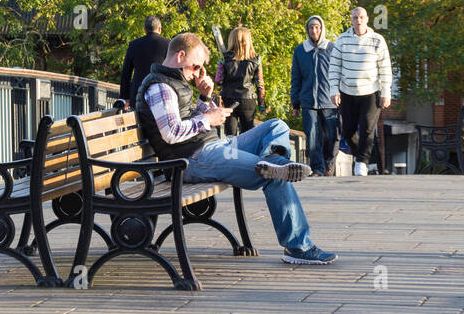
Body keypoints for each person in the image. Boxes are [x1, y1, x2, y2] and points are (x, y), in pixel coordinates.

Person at [135, 31, 336, 265]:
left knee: (277, 126)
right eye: (196, 67)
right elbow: (171, 134)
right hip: (193, 159)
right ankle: (298, 247)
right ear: (180, 56)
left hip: (214, 147)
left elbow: (185, 117)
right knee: (273, 175)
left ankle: (275, 159)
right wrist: (208, 119)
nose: (198, 73)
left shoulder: (175, 82)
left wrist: (204, 98)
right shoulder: (161, 87)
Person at [327, 7, 393, 177]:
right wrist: (334, 90)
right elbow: (334, 68)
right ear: (351, 20)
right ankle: (360, 156)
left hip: (371, 91)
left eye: (361, 17)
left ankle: (362, 163)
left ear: (367, 19)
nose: (358, 20)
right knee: (347, 132)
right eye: (355, 17)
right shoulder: (342, 40)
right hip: (347, 92)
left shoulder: (377, 40)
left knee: (367, 127)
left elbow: (385, 68)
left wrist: (386, 92)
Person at [289, 15, 339, 176]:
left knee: (332, 136)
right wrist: (295, 103)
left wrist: (340, 95)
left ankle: (329, 162)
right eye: (311, 27)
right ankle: (318, 168)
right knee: (312, 136)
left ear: (322, 29)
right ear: (307, 30)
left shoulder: (331, 48)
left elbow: (339, 74)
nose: (314, 30)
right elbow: (296, 77)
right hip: (308, 101)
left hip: (329, 101)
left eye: (317, 27)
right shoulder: (300, 50)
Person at [215, 26, 266, 136]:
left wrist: (222, 64)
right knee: (247, 136)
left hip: (229, 99)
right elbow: (260, 84)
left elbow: (218, 80)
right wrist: (262, 106)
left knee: (230, 135)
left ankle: (231, 153)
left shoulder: (225, 58)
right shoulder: (256, 59)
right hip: (248, 100)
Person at [120, 15, 169, 108]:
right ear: (160, 28)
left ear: (144, 29)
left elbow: (126, 73)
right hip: (161, 95)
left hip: (138, 94)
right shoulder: (168, 44)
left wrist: (125, 97)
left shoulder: (134, 44)